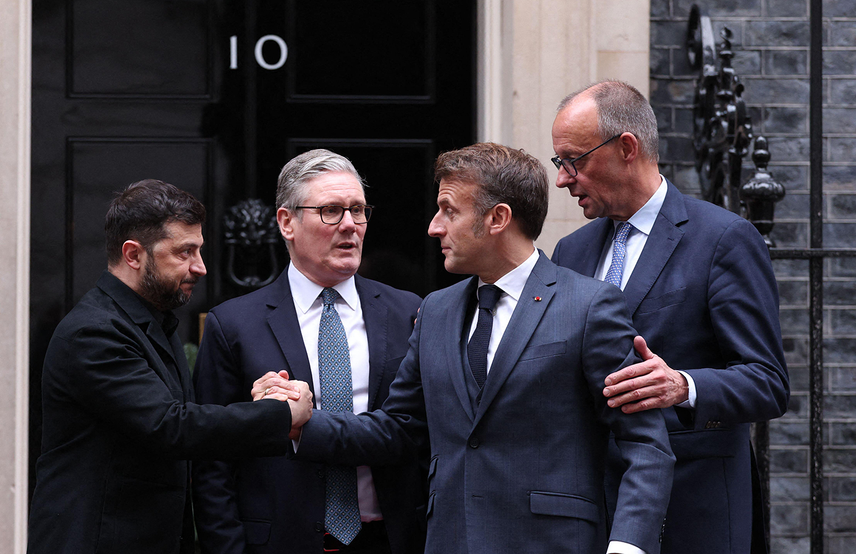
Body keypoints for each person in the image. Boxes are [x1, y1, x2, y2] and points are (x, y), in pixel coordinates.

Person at [277, 143, 675, 554]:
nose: (434, 227)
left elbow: (645, 446)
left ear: (497, 218)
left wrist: (628, 546)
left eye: (449, 210)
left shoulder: (589, 306)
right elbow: (399, 429)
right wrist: (300, 424)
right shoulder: (435, 311)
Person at [549, 80, 790, 554]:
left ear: (626, 148)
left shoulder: (722, 239)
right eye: (561, 163)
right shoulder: (570, 251)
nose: (563, 178)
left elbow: (768, 383)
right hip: (592, 513)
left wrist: (683, 385)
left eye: (573, 160)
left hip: (691, 510)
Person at [26, 179, 312, 554]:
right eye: (185, 252)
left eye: (199, 251)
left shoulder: (150, 322)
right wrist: (280, 415)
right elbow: (170, 426)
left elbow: (173, 417)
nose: (201, 267)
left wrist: (259, 398)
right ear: (133, 255)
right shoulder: (94, 331)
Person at [192, 149, 426, 554]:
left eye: (358, 209)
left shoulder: (410, 313)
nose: (350, 225)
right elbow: (212, 462)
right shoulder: (233, 324)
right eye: (331, 211)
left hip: (391, 538)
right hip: (279, 541)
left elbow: (421, 432)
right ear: (287, 222)